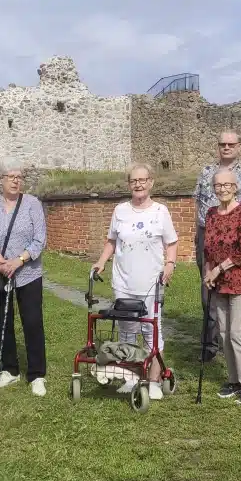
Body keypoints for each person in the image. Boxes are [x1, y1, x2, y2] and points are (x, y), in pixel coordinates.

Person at [92, 163, 178, 401]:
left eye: (143, 180)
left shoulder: (160, 211)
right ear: (129, 184)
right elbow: (112, 241)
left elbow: (171, 243)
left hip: (151, 282)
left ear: (151, 182)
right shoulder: (120, 210)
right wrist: (101, 262)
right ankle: (131, 377)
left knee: (151, 330)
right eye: (134, 181)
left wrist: (169, 265)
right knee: (127, 331)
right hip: (123, 281)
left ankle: (153, 381)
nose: (138, 185)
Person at [0, 160, 48, 396]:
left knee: (32, 322)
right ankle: (10, 369)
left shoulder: (32, 204)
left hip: (27, 272)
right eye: (11, 176)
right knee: (2, 322)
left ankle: (37, 374)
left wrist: (19, 260)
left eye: (19, 176)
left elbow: (40, 239)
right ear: (1, 180)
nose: (16, 180)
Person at [193, 130, 241, 362]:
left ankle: (236, 340)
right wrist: (199, 236)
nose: (226, 147)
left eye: (231, 144)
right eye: (222, 144)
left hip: (238, 238)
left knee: (238, 288)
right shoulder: (206, 173)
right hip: (209, 235)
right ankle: (210, 343)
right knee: (209, 291)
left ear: (239, 146)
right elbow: (198, 206)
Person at [203, 167, 241, 404]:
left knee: (238, 332)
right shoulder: (211, 214)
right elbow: (207, 248)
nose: (223, 189)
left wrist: (218, 268)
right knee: (224, 333)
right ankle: (234, 379)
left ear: (235, 187)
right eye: (218, 185)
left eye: (227, 185)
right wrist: (208, 271)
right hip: (218, 282)